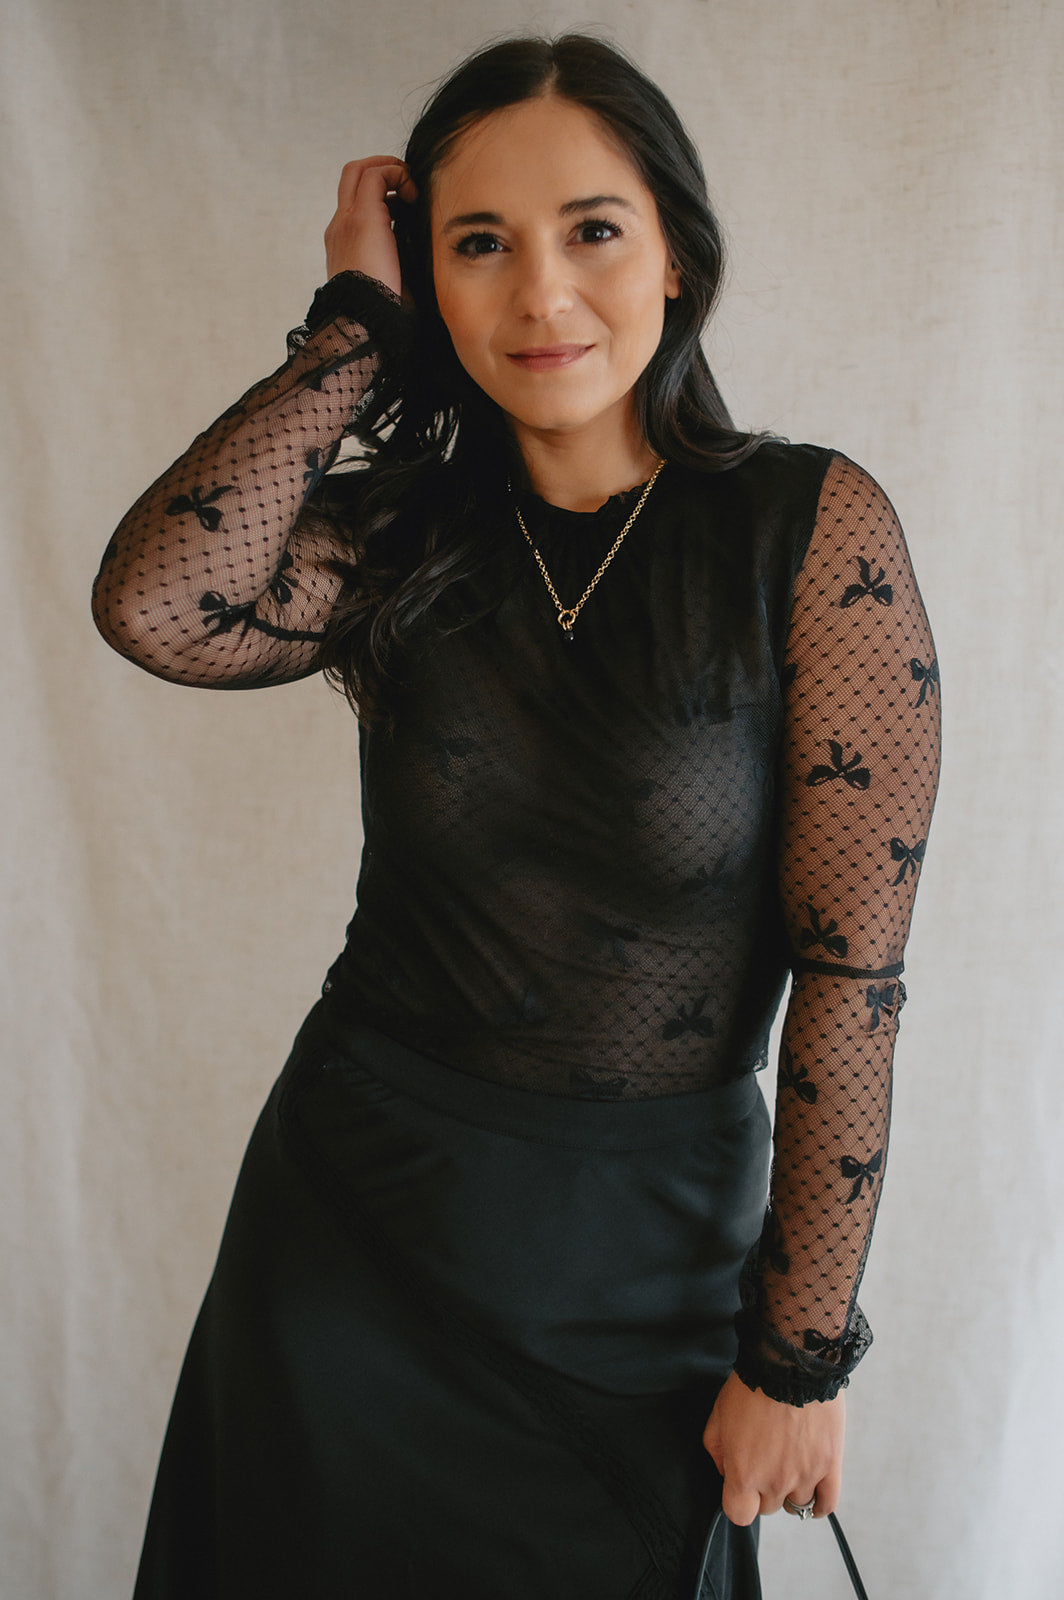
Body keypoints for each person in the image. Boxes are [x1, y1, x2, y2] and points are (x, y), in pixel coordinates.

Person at [93, 33, 940, 1600]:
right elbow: (160, 605)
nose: (542, 293)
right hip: (353, 1236)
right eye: (480, 244)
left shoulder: (805, 532)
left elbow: (854, 979)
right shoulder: (402, 536)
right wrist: (354, 327)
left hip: (648, 1269)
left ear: (674, 253)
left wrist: (799, 1356)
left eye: (592, 230)